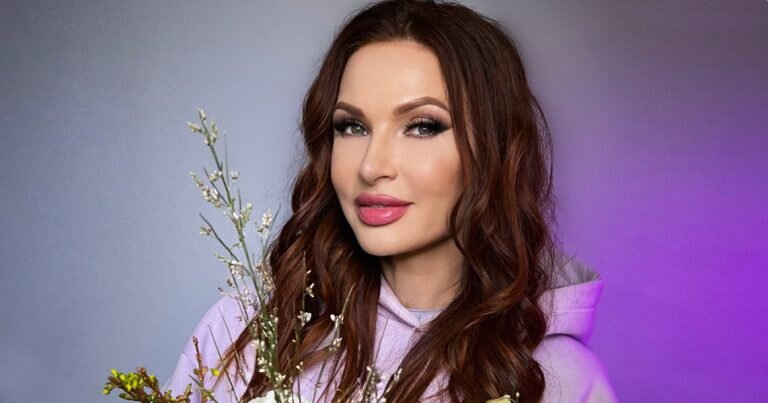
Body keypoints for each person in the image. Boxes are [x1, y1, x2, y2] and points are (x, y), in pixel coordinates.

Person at [164, 0, 618, 402]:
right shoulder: (245, 332)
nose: (371, 165)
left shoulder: (556, 380)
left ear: (492, 150)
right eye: (352, 126)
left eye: (422, 126)